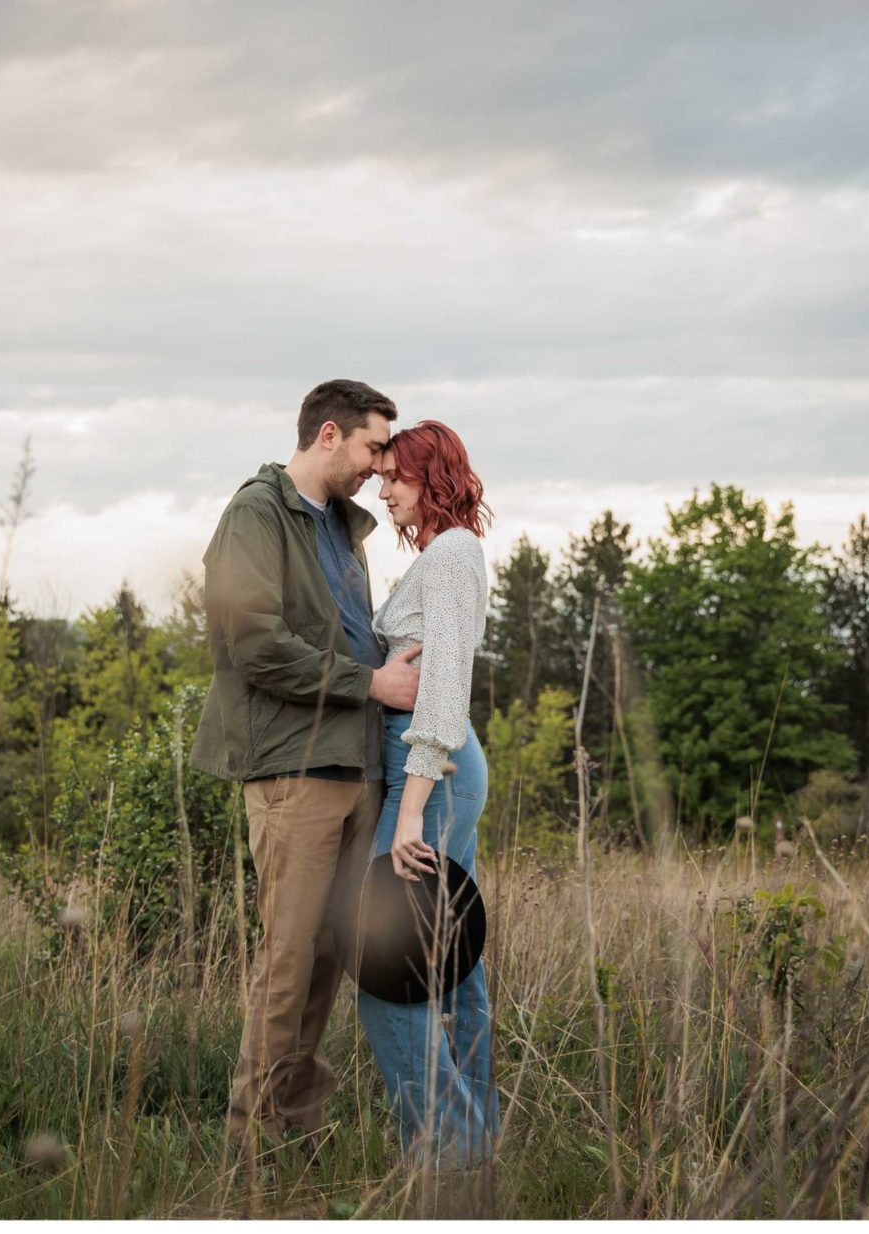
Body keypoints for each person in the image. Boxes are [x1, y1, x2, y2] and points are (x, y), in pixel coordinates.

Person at [191, 379, 428, 1159]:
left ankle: (293, 1129)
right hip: (294, 770)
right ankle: (247, 1146)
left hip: (355, 767)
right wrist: (371, 684)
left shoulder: (342, 530)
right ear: (329, 435)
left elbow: (350, 636)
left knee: (329, 958)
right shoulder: (256, 516)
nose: (377, 466)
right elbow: (252, 644)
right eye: (370, 448)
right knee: (288, 957)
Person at [356, 418, 500, 1172]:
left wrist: (411, 811)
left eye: (396, 478)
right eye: (380, 478)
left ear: (431, 474)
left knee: (387, 970)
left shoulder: (450, 553)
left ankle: (448, 1150)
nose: (385, 492)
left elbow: (443, 688)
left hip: (430, 774)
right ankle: (477, 1144)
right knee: (451, 960)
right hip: (437, 769)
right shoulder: (450, 553)